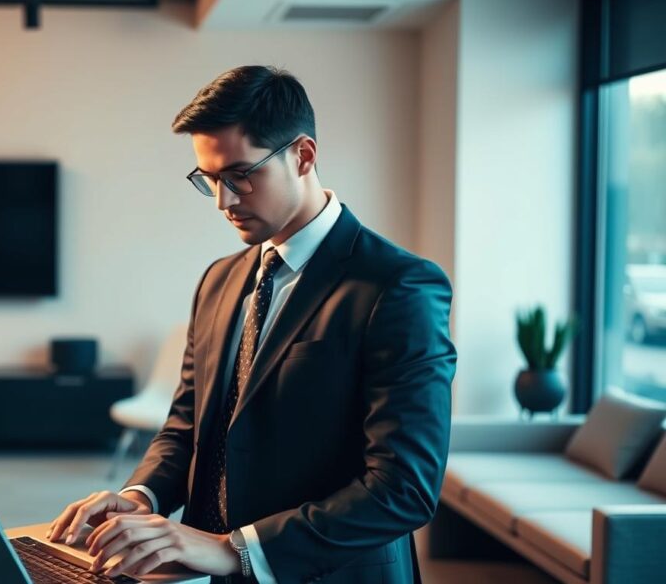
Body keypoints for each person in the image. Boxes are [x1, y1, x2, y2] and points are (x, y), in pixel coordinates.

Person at [47, 65, 457, 584]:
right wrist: (138, 498)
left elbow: (405, 488)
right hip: (204, 574)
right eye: (210, 180)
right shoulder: (218, 281)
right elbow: (186, 428)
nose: (224, 201)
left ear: (303, 156)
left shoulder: (398, 286)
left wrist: (235, 549)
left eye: (241, 175)